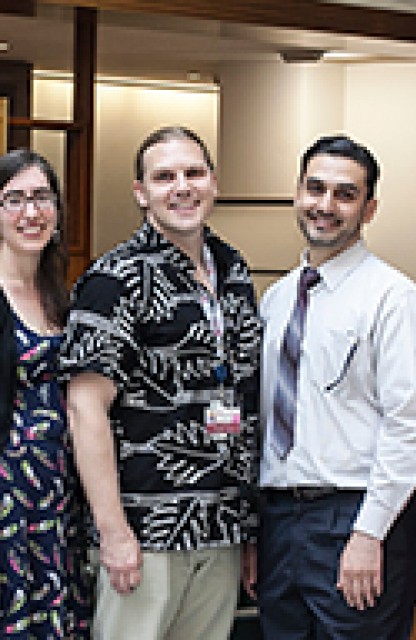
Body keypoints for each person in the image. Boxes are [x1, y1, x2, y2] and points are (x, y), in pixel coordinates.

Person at [59, 126, 261, 639]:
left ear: (214, 181)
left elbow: (246, 397)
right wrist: (113, 533)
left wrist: (247, 528)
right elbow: (85, 410)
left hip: (219, 528)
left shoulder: (234, 271)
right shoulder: (113, 280)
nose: (182, 187)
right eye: (164, 176)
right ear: (140, 192)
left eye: (193, 173)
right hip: (145, 535)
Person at [257, 134, 416, 639]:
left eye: (345, 194)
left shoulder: (393, 300)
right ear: (297, 193)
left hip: (355, 516)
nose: (325, 206)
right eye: (315, 189)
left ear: (369, 207)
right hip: (279, 518)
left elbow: (411, 428)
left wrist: (368, 532)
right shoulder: (275, 300)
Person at [0, 149, 91, 637]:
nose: (30, 212)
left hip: (59, 498)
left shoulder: (64, 296)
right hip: (8, 495)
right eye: (13, 199)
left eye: (41, 197)